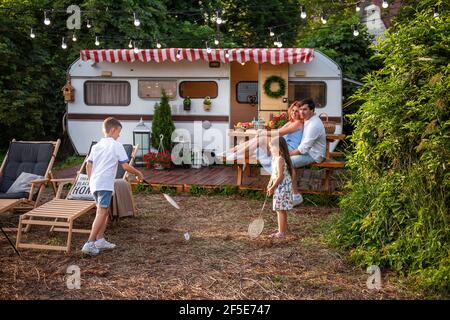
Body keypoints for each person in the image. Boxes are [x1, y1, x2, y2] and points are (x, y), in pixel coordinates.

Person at [81, 117, 145, 255]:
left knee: (104, 210)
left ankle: (100, 239)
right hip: (104, 183)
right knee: (102, 212)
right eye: (119, 132)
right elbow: (126, 166)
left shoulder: (96, 146)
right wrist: (138, 173)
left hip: (95, 184)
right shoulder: (116, 145)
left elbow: (88, 164)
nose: (119, 135)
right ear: (113, 129)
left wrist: (92, 180)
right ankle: (89, 243)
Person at [223, 101, 304, 206]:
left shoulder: (298, 123)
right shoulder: (290, 122)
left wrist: (264, 133)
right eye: (292, 110)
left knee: (261, 139)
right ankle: (233, 151)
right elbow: (277, 131)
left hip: (287, 149)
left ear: (300, 113)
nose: (294, 113)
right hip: (283, 145)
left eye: (297, 111)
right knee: (257, 139)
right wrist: (264, 133)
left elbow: (279, 133)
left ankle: (233, 152)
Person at [266, 136, 294, 239]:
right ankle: (282, 230)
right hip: (279, 187)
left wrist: (273, 187)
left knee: (280, 210)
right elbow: (274, 174)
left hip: (282, 188)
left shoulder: (280, 159)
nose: (270, 149)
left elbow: (280, 176)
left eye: (271, 147)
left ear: (278, 147)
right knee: (281, 209)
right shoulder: (275, 158)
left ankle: (281, 233)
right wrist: (270, 183)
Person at [289, 98, 326, 168]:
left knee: (287, 161)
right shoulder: (308, 119)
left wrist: (287, 154)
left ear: (312, 110)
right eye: (300, 109)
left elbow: (303, 149)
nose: (301, 112)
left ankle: (282, 179)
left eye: (305, 109)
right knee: (280, 158)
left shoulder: (314, 125)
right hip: (307, 152)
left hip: (314, 155)